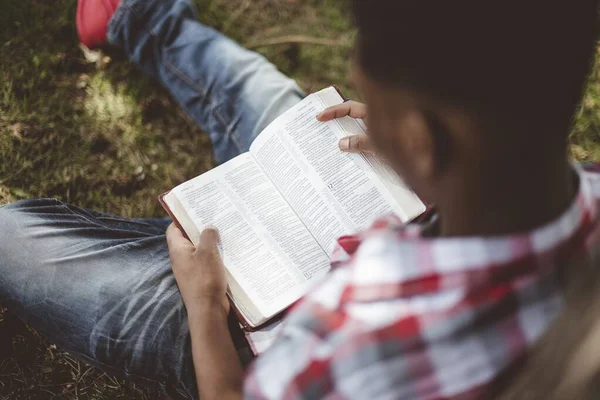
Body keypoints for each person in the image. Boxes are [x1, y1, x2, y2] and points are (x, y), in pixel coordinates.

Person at [1, 0, 599, 398]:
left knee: (11, 237)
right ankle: (145, 20)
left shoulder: (349, 348)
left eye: (378, 100)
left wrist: (205, 308)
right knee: (280, 108)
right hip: (430, 196)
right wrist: (433, 164)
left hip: (248, 324)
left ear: (421, 136)